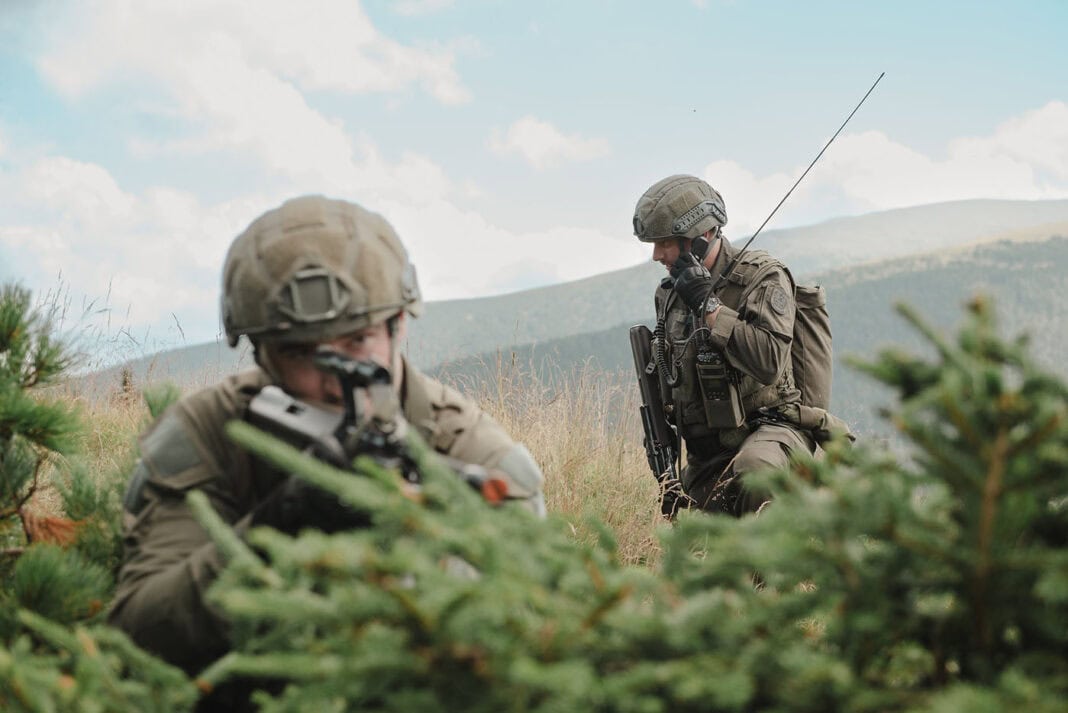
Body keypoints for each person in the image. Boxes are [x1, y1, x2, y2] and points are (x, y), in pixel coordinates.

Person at [109, 195, 546, 685]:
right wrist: (277, 526)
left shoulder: (472, 455)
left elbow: (525, 637)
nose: (338, 381)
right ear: (262, 354)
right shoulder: (210, 432)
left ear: (397, 325)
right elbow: (138, 631)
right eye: (303, 355)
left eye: (358, 342)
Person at [632, 174, 815, 516]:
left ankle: (773, 568)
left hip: (771, 433)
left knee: (756, 474)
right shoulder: (669, 295)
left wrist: (709, 306)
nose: (657, 255)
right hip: (708, 453)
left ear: (702, 237)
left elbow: (769, 360)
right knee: (699, 547)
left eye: (665, 242)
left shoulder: (762, 277)